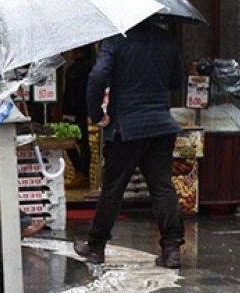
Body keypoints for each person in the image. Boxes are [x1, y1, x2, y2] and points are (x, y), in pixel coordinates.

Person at [75, 17, 184, 269]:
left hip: (127, 126)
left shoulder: (115, 40)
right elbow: (176, 81)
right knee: (162, 187)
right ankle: (171, 249)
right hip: (160, 125)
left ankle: (96, 246)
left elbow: (97, 76)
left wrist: (95, 114)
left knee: (113, 188)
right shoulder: (168, 39)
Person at [61, 45, 95, 186]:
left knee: (78, 141)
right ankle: (81, 172)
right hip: (76, 110)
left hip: (76, 110)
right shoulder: (80, 69)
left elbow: (74, 93)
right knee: (77, 141)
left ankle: (82, 173)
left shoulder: (79, 70)